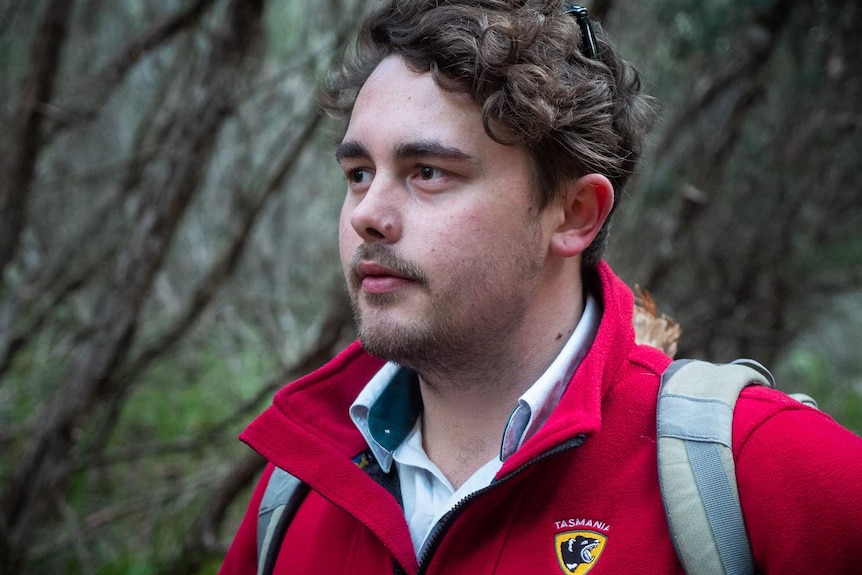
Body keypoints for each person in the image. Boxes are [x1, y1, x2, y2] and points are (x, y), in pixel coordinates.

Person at [219, 1, 862, 573]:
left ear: (575, 213)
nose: (366, 214)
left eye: (428, 172)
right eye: (359, 173)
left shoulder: (759, 469)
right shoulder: (299, 483)